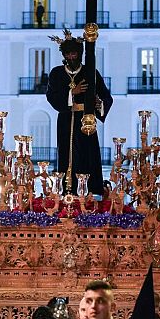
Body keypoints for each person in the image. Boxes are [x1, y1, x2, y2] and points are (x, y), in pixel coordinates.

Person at [45, 29, 113, 196]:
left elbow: (106, 97)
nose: (71, 57)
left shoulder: (91, 73)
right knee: (66, 155)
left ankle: (90, 191)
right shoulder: (57, 73)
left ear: (80, 54)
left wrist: (99, 104)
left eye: (74, 54)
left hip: (86, 121)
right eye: (68, 54)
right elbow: (51, 96)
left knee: (87, 155)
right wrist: (71, 93)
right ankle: (67, 190)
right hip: (66, 120)